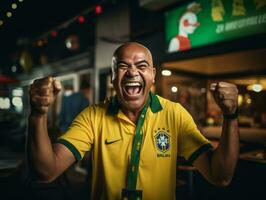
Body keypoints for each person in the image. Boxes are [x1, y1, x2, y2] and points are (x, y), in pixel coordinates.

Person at [28, 42, 239, 200]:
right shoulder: (93, 116)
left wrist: (230, 116)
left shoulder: (174, 114)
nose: (132, 72)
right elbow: (46, 172)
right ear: (112, 76)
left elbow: (220, 176)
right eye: (122, 66)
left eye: (142, 65)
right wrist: (37, 114)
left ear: (153, 75)